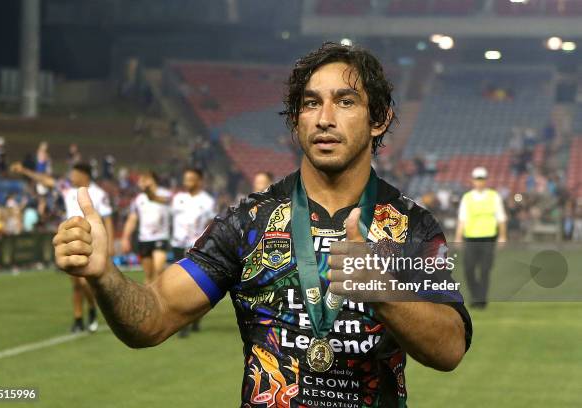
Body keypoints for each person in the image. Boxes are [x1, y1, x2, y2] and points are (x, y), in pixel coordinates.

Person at [53, 42, 471, 407]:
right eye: (310, 103)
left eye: (345, 102)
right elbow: (153, 318)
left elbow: (450, 348)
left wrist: (384, 293)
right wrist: (103, 276)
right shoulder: (249, 222)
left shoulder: (412, 225)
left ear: (378, 119)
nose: (324, 118)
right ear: (295, 120)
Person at [12, 161, 114, 333]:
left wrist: (109, 244)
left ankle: (91, 308)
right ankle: (78, 319)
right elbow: (46, 181)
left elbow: (108, 219)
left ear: (84, 175)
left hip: (90, 241)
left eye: (74, 174)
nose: (71, 177)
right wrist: (24, 170)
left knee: (84, 284)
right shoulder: (67, 189)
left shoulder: (98, 194)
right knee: (75, 284)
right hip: (71, 240)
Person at [169, 168, 215, 336]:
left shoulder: (207, 201)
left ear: (199, 181)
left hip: (196, 247)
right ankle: (185, 321)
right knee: (178, 284)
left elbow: (211, 224)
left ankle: (192, 319)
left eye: (190, 179)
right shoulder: (178, 199)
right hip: (177, 244)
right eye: (185, 179)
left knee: (193, 285)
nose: (186, 182)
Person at [455, 166, 507, 309]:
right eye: (477, 179)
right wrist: (458, 236)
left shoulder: (494, 196)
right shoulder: (467, 198)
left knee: (485, 270)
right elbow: (462, 219)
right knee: (469, 269)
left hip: (488, 238)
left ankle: (480, 300)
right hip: (471, 238)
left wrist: (502, 236)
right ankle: (477, 295)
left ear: (486, 180)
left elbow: (501, 218)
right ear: (472, 180)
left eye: (482, 179)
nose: (479, 182)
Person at [121, 170, 172, 283]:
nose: (143, 182)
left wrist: (149, 191)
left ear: (154, 180)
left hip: (160, 237)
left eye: (146, 179)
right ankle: (150, 297)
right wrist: (125, 238)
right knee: (149, 276)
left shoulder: (165, 194)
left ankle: (163, 295)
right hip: (144, 239)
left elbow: (159, 199)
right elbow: (132, 219)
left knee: (158, 269)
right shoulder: (138, 199)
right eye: (142, 180)